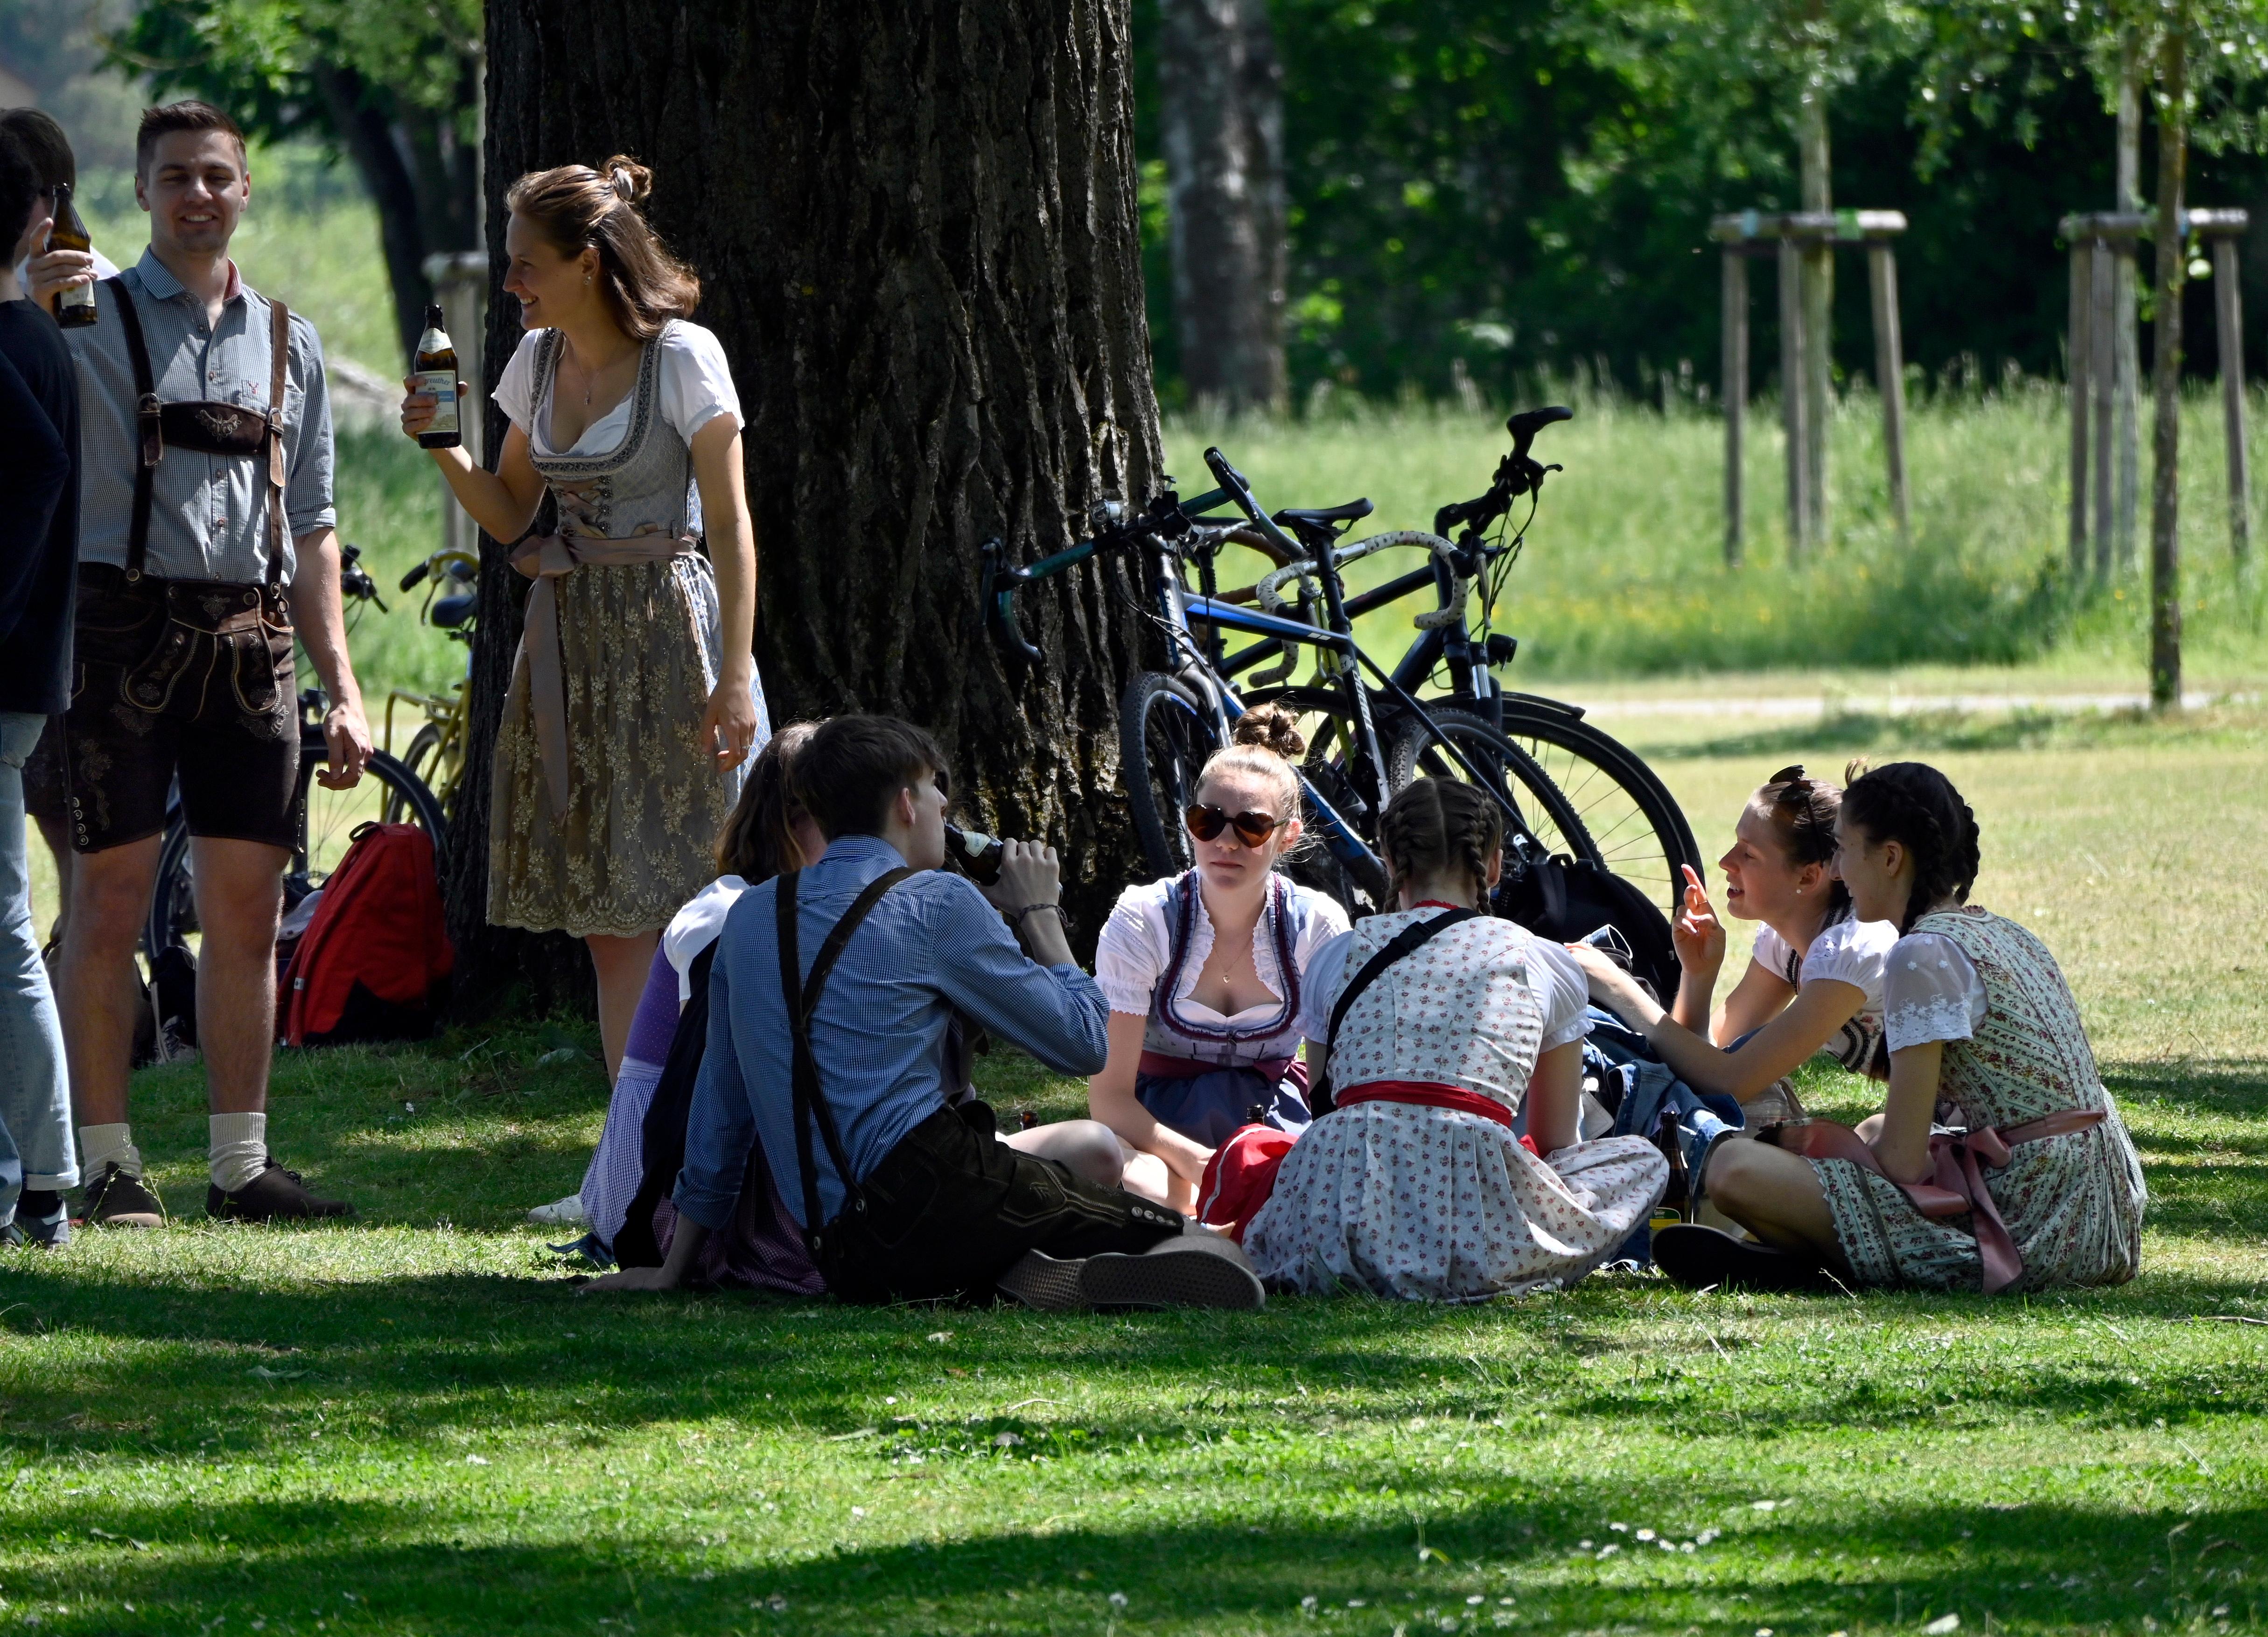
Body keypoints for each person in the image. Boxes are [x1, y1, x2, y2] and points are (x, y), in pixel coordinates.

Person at [584, 714, 1263, 1310]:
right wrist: (1040, 914)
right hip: (936, 1186)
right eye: (937, 788)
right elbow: (1086, 1044)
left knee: (1057, 1214)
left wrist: (672, 1271)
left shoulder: (754, 917)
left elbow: (720, 1111)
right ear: (906, 804)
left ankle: (1013, 1275)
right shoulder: (937, 902)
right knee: (1201, 1246)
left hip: (842, 1252)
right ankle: (1050, 1264)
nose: (946, 805)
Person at [30, 101, 372, 1226]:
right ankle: (110, 1163)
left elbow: (314, 528)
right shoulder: (77, 316)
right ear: (139, 192)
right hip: (115, 634)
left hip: (252, 646)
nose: (198, 195)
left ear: (246, 190)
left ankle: (239, 1166)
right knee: (110, 898)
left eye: (218, 176)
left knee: (245, 903)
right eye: (176, 176)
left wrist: (347, 685)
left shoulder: (293, 342)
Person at [398, 156, 767, 1086]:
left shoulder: (684, 357)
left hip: (671, 639)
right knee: (611, 924)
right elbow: (517, 512)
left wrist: (733, 675)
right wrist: (444, 450)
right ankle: (630, 1159)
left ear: (588, 263)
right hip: (572, 647)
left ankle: (717, 1142)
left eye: (527, 264)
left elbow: (729, 526)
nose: (512, 282)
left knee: (699, 903)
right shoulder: (538, 361)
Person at [1655, 762, 2148, 1294]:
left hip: (2034, 1225)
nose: (1837, 871)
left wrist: (1803, 1146)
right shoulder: (2004, 931)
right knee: (1861, 1131)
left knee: (1735, 1168)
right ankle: (1803, 1259)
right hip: (2102, 1209)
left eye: (1843, 850)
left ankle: (1819, 1262)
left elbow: (1902, 1164)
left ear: (1890, 858)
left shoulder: (1918, 954)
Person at [1241, 779, 1667, 1300]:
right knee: (1645, 1161)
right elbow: (1558, 1141)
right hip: (1475, 1233)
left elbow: (1325, 1112)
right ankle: (1500, 1261)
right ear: (1491, 866)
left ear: (1391, 861)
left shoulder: (1338, 956)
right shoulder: (1542, 961)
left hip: (1340, 1226)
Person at [1088, 707, 1350, 1210]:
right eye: (1207, 821)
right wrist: (1197, 1162)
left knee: (1314, 1182)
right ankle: (1219, 1216)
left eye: (1251, 827)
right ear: (1189, 825)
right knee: (1108, 1162)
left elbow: (1326, 1091)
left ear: (1287, 835)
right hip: (1156, 1135)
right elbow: (1110, 1097)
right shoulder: (1145, 918)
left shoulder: (1317, 925)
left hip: (1272, 1123)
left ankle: (1206, 1222)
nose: (1225, 842)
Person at [1568, 765, 1896, 1127]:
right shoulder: (1785, 942)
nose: (1725, 862)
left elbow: (1732, 1081)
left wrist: (1617, 987)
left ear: (1808, 877)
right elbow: (1703, 1062)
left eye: (1749, 854)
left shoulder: (1851, 948)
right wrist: (1698, 976)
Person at [7, 108, 117, 952]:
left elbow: (78, 444)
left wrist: (45, 313)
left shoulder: (94, 287)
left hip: (81, 596)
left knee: (88, 846)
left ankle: (117, 1022)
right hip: (56, 594)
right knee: (54, 832)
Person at [0, 128, 81, 1247]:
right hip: (22, 671)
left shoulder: (12, 343)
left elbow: (34, 473)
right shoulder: (40, 340)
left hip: (4, 671)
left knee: (5, 924)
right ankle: (34, 1169)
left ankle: (45, 1179)